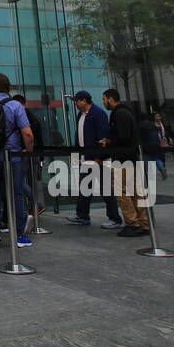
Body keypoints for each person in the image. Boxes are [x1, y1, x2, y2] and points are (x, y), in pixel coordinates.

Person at [0, 74, 33, 249]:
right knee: (16, 192)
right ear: (8, 87)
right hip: (12, 155)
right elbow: (27, 133)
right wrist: (28, 150)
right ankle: (18, 233)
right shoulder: (15, 105)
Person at [65, 91, 121, 228]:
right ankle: (82, 215)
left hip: (98, 159)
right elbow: (79, 135)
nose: (76, 104)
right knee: (84, 187)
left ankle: (115, 218)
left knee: (105, 188)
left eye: (77, 101)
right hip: (86, 158)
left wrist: (99, 157)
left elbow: (102, 136)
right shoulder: (81, 115)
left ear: (84, 101)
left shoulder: (98, 114)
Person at [100, 89, 148, 238]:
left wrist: (109, 143)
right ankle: (143, 223)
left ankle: (132, 223)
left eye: (104, 99)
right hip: (131, 158)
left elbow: (123, 137)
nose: (104, 102)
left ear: (111, 99)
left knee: (122, 192)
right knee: (135, 192)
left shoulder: (119, 114)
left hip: (122, 159)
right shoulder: (126, 112)